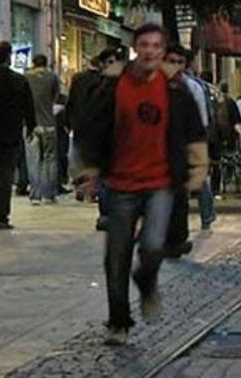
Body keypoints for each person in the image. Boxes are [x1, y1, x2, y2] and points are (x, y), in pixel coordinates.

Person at [74, 23, 208, 345]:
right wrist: (89, 173)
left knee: (152, 247)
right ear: (136, 49)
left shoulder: (176, 90)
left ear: (163, 52)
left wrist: (197, 171)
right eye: (144, 45)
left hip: (160, 182)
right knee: (116, 255)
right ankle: (118, 322)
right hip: (121, 182)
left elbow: (193, 133)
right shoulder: (113, 85)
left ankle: (146, 282)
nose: (149, 51)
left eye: (155, 46)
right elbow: (92, 127)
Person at [162, 45, 214, 253]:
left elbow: (200, 123)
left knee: (178, 197)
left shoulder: (192, 89)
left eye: (179, 62)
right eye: (171, 61)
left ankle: (176, 239)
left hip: (180, 150)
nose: (175, 66)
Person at [67, 48, 120, 230]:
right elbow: (77, 105)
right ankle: (105, 213)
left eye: (114, 62)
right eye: (108, 62)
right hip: (97, 137)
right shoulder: (93, 83)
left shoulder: (123, 84)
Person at [0, 41, 35, 230]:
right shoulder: (19, 80)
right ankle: (1, 216)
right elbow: (29, 107)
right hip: (10, 135)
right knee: (5, 176)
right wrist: (31, 127)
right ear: (9, 56)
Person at [24, 54, 61, 204]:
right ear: (47, 64)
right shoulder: (52, 77)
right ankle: (49, 194)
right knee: (50, 159)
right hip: (49, 123)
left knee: (33, 160)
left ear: (33, 63)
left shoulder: (25, 77)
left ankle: (35, 194)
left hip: (31, 124)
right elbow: (55, 97)